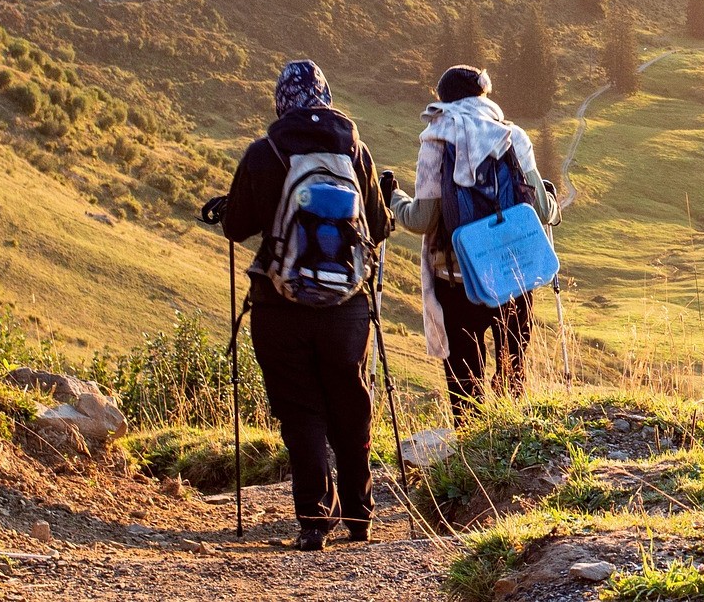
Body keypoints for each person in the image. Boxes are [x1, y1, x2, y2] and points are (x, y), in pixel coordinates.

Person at [220, 61, 390, 551]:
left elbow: (237, 227)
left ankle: (315, 519)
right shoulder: (356, 151)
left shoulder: (264, 152)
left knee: (300, 409)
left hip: (280, 305)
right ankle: (361, 515)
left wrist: (228, 207)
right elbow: (377, 228)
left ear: (281, 102)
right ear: (325, 97)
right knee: (351, 403)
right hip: (348, 307)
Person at [382, 65, 558, 427]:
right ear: (484, 95)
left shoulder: (436, 139)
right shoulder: (512, 136)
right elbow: (540, 210)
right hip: (514, 275)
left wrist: (393, 197)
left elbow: (421, 220)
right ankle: (514, 449)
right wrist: (552, 202)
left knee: (466, 384)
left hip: (457, 278)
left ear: (443, 101)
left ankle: (473, 458)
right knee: (513, 374)